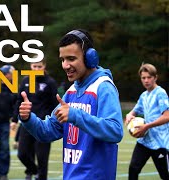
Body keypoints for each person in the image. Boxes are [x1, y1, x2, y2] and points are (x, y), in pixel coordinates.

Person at [18, 29, 123, 179]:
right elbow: (47, 131)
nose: (65, 65)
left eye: (71, 59)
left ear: (89, 58)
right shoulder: (72, 91)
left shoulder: (103, 87)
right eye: (62, 59)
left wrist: (75, 115)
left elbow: (115, 130)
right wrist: (28, 118)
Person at [12, 59, 58, 180]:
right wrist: (14, 120)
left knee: (42, 157)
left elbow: (54, 105)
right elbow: (19, 101)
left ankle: (41, 177)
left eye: (39, 66)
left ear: (44, 66)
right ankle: (32, 170)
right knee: (22, 154)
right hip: (27, 124)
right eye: (34, 66)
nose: (37, 69)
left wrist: (52, 122)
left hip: (44, 125)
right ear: (30, 66)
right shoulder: (26, 81)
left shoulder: (50, 82)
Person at [125, 63, 169, 180]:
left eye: (149, 77)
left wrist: (147, 126)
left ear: (155, 77)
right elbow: (134, 111)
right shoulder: (144, 95)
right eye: (143, 78)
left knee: (165, 175)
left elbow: (167, 116)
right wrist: (129, 116)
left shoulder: (160, 93)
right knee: (133, 169)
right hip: (144, 142)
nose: (146, 80)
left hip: (160, 143)